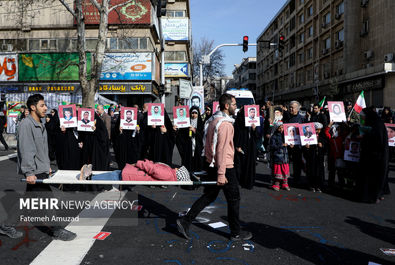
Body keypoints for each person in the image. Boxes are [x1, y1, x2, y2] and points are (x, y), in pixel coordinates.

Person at [177, 93, 252, 241]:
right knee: (234, 198)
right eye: (234, 104)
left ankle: (185, 221)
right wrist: (221, 174)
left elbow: (208, 144)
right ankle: (236, 232)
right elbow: (222, 150)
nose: (236, 107)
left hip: (212, 164)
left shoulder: (213, 120)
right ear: (226, 106)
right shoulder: (225, 124)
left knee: (209, 195)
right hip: (224, 167)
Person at [17, 94, 76, 241]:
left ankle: (6, 224)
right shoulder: (26, 125)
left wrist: (47, 166)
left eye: (45, 105)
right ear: (33, 107)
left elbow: (42, 150)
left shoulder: (40, 124)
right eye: (42, 105)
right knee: (48, 200)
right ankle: (56, 229)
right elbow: (27, 149)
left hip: (41, 169)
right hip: (34, 172)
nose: (45, 108)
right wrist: (29, 172)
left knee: (28, 201)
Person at [357, 107, 389, 203]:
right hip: (372, 155)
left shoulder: (377, 124)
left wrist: (365, 137)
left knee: (373, 177)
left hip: (375, 156)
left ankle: (373, 196)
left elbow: (378, 140)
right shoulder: (374, 123)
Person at [234, 106, 260, 189]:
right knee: (240, 165)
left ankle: (248, 182)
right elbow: (236, 135)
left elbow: (257, 136)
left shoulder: (254, 123)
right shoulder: (239, 122)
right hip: (241, 146)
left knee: (250, 165)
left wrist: (254, 129)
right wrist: (237, 146)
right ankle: (239, 181)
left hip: (251, 147)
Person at [175, 106, 204, 172]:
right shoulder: (186, 122)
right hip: (188, 146)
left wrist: (194, 130)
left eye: (195, 113)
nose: (194, 115)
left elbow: (202, 135)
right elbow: (181, 135)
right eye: (192, 113)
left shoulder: (200, 123)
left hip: (197, 147)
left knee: (197, 161)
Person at [284, 101, 305, 185]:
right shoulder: (286, 118)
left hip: (298, 145)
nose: (291, 109)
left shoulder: (302, 119)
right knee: (286, 162)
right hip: (288, 144)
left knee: (297, 163)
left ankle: (297, 179)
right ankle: (285, 178)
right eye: (290, 107)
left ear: (298, 108)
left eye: (293, 107)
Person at [303, 122, 327, 193]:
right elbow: (304, 145)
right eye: (316, 130)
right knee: (311, 171)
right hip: (311, 156)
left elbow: (326, 146)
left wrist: (322, 146)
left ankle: (319, 186)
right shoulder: (308, 135)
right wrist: (307, 147)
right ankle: (311, 185)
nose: (318, 131)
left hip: (319, 157)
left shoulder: (322, 136)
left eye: (319, 130)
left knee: (319, 171)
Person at [269, 121, 290, 191]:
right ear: (276, 128)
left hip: (285, 156)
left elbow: (289, 142)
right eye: (279, 128)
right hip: (278, 157)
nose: (281, 129)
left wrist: (291, 144)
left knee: (284, 170)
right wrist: (281, 145)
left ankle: (285, 184)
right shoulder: (274, 136)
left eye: (282, 128)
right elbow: (272, 146)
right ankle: (277, 184)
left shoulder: (285, 135)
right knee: (278, 171)